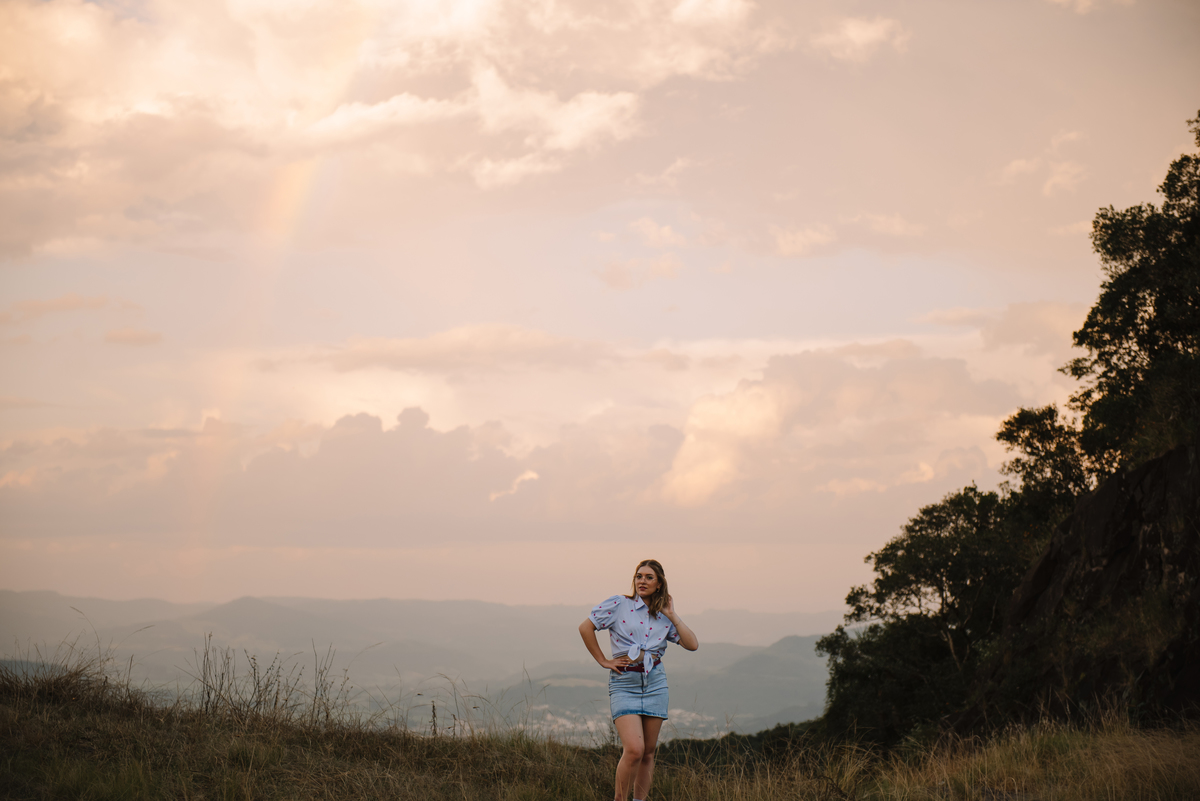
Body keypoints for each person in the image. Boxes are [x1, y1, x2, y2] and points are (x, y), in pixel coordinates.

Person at [579, 559, 699, 801]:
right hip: (625, 682)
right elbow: (585, 627)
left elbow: (692, 644)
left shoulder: (664, 616)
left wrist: (672, 614)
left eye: (649, 577)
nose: (642, 581)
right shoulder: (619, 604)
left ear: (659, 584)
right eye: (639, 576)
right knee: (634, 750)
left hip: (655, 681)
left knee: (648, 753)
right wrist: (604, 660)